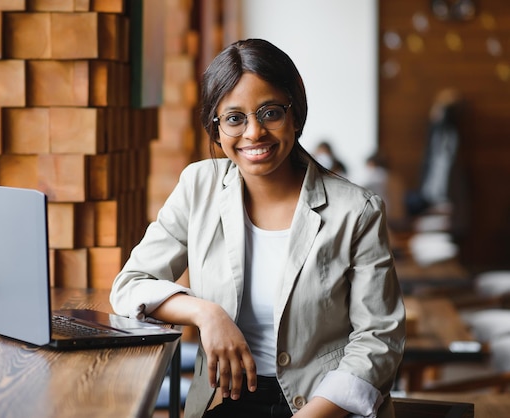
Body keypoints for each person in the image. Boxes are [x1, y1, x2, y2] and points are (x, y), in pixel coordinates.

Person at [110, 39, 405, 418]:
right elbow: (129, 286)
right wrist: (206, 313)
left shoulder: (357, 210)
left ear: (295, 115)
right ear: (216, 129)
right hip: (225, 401)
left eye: (270, 113)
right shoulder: (198, 186)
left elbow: (380, 338)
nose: (254, 133)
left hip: (326, 406)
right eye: (235, 118)